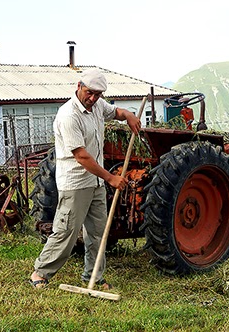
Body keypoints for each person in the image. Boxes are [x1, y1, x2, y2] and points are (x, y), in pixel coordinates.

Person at [28, 69, 140, 290]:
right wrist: (110, 178)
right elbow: (81, 156)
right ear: (79, 86)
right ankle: (40, 273)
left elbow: (114, 112)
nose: (93, 98)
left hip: (95, 183)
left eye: (98, 94)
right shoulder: (68, 115)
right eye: (90, 92)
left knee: (98, 232)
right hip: (76, 183)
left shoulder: (97, 105)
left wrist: (128, 115)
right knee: (67, 230)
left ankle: (94, 276)